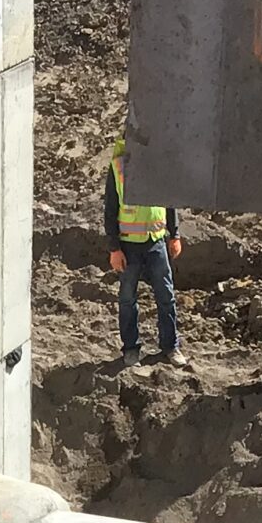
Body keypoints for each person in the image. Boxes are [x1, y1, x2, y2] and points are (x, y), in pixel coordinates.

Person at [105, 138, 188, 368]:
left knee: (166, 295)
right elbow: (110, 209)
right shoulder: (119, 167)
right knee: (128, 298)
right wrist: (114, 248)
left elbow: (169, 201)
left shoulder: (160, 164)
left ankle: (170, 346)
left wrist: (175, 234)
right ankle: (131, 349)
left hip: (156, 242)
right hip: (128, 244)